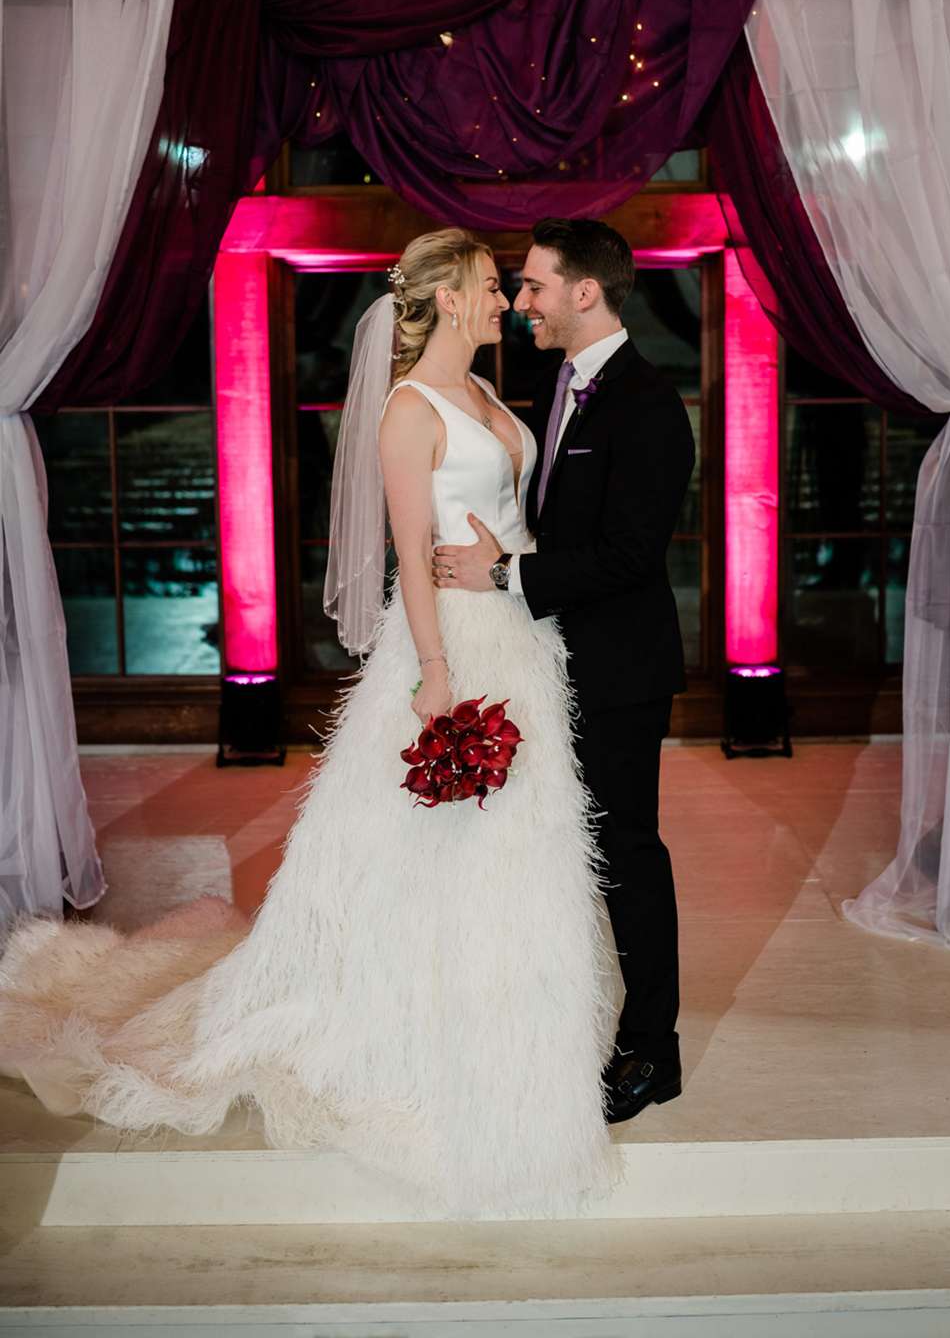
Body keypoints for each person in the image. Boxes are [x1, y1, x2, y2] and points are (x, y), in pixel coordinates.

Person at [0, 229, 619, 1218]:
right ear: (448, 298)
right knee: (432, 844)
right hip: (453, 647)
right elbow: (411, 554)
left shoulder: (489, 395)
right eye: (489, 286)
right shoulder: (408, 410)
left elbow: (517, 524)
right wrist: (436, 674)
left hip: (520, 639)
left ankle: (513, 1021)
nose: (504, 299)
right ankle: (415, 1025)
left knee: (522, 841)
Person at [432, 218, 694, 1123]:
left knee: (628, 853)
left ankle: (652, 1051)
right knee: (559, 849)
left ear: (586, 292)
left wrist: (503, 574)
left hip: (621, 671)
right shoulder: (559, 385)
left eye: (536, 286)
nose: (522, 302)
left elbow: (628, 556)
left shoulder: (648, 404)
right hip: (549, 660)